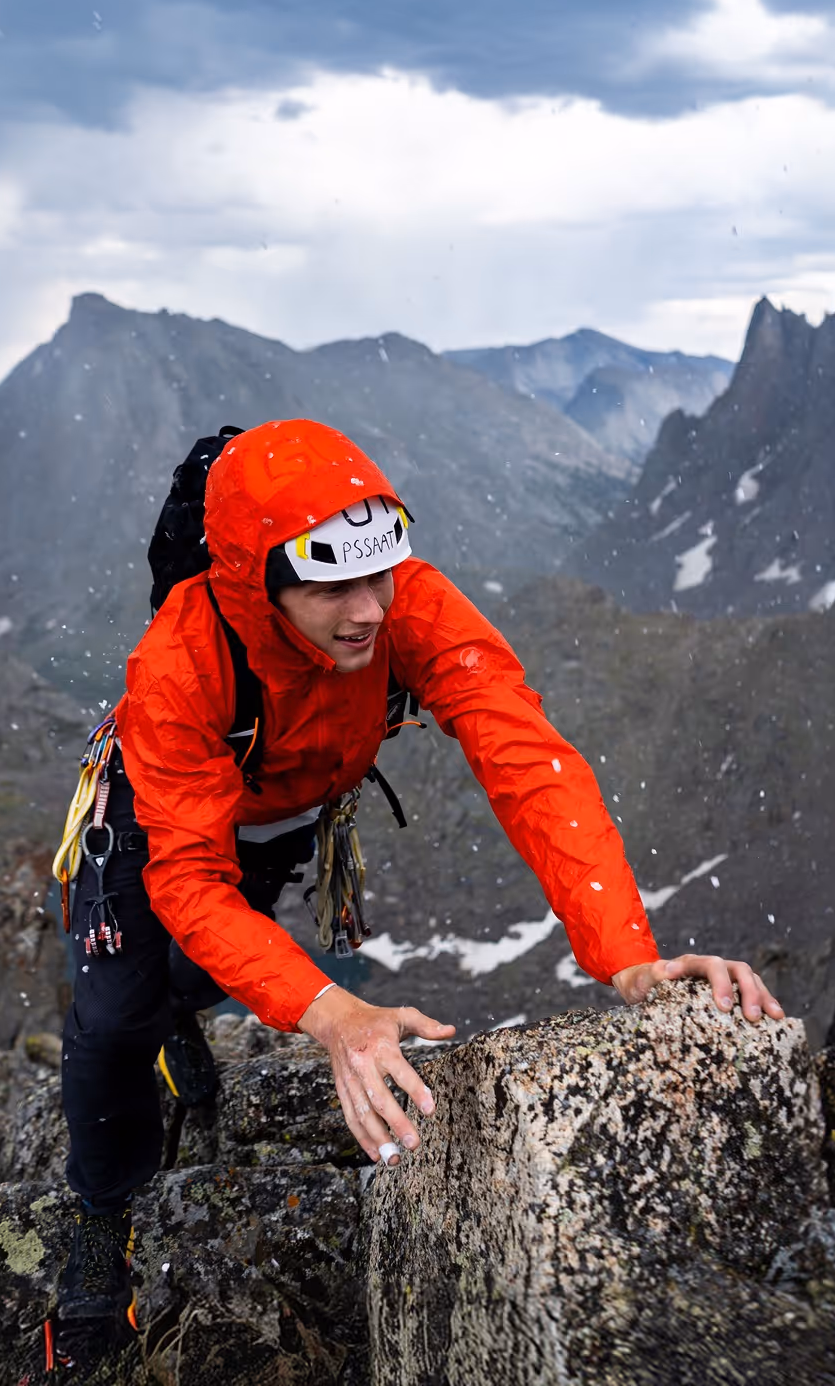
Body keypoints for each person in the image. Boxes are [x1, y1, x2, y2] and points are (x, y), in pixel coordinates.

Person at [50, 417, 785, 1361]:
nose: (369, 611)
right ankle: (102, 1217)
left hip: (278, 810)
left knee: (197, 978)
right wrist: (330, 1015)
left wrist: (629, 960)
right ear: (256, 581)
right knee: (116, 1019)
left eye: (380, 574)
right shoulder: (182, 661)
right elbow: (188, 877)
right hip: (157, 818)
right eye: (335, 585)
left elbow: (528, 762)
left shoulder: (415, 608)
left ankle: (177, 1017)